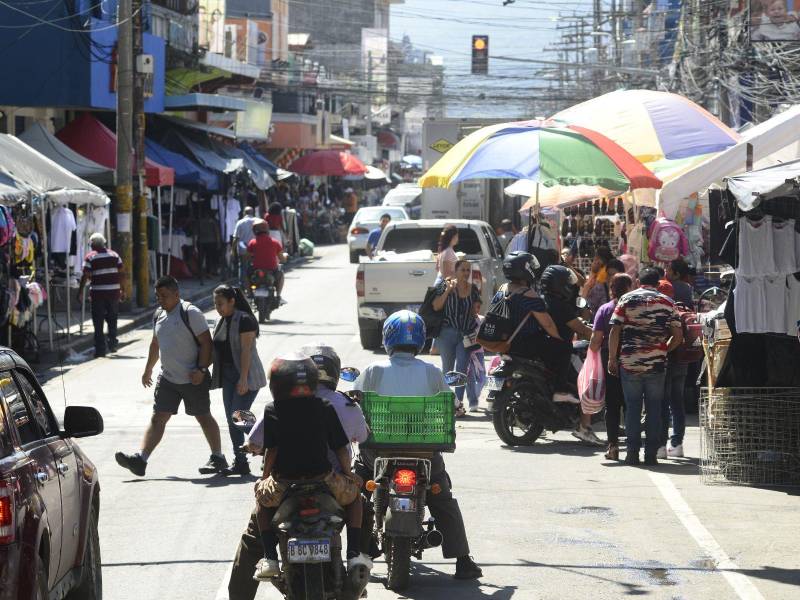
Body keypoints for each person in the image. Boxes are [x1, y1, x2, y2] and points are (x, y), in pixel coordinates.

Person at [352, 310, 483, 580]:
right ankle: (463, 560)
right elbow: (452, 403)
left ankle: (360, 551)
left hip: (378, 452)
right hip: (423, 451)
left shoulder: (373, 370)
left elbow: (354, 401)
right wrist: (458, 407)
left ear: (388, 338)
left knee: (357, 492)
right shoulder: (432, 371)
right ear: (420, 340)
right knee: (442, 497)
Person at [250, 353, 366, 580]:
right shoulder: (324, 406)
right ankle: (353, 555)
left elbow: (271, 450)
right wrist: (350, 475)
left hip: (284, 484)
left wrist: (264, 479)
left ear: (277, 384)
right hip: (323, 480)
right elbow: (341, 448)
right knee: (355, 500)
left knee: (262, 506)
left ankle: (270, 558)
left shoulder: (273, 409)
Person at [115, 276, 228, 477]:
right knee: (158, 418)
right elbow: (155, 344)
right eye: (158, 296)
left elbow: (207, 344)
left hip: (193, 377)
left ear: (177, 294)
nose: (160, 300)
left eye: (165, 296)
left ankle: (218, 456)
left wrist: (201, 370)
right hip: (168, 378)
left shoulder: (190, 313)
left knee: (202, 416)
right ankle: (141, 459)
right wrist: (148, 369)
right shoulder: (158, 314)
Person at [608, 267, 684, 466]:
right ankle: (651, 454)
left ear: (638, 281)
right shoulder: (668, 303)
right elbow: (678, 337)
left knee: (632, 408)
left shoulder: (626, 300)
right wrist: (663, 350)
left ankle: (632, 453)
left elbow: (615, 331)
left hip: (629, 362)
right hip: (656, 364)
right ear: (658, 283)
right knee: (654, 409)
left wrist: (612, 359)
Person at [493, 253, 571, 397]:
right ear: (525, 269)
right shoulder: (528, 294)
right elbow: (547, 324)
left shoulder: (501, 289)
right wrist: (559, 338)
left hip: (504, 343)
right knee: (564, 348)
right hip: (525, 344)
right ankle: (560, 390)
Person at [540, 265, 603, 445]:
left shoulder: (542, 299)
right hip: (559, 349)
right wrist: (599, 336)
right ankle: (584, 427)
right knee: (589, 382)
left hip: (545, 350)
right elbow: (581, 329)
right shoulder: (559, 305)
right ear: (559, 285)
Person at [211, 285, 266, 476]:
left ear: (232, 301)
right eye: (215, 304)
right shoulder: (223, 321)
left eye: (221, 304)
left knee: (238, 417)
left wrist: (243, 379)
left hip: (247, 375)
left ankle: (270, 444)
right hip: (228, 376)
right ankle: (240, 461)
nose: (218, 308)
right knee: (232, 419)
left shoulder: (245, 320)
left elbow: (246, 352)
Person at [589, 273, 633, 460]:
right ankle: (633, 448)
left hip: (610, 359)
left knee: (613, 405)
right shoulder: (635, 308)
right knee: (632, 404)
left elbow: (595, 340)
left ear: (611, 289)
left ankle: (613, 446)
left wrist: (592, 352)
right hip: (633, 357)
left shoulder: (605, 309)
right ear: (630, 288)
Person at [432, 259, 482, 415]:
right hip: (446, 333)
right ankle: (446, 403)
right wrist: (447, 291)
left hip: (465, 334)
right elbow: (436, 306)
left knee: (461, 370)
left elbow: (475, 311)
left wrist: (476, 306)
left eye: (468, 270)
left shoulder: (473, 289)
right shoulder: (446, 285)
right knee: (447, 370)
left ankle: (458, 405)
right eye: (463, 270)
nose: (466, 273)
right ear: (456, 271)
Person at [77, 233, 123, 358]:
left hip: (98, 293)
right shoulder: (114, 255)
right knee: (112, 318)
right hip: (114, 292)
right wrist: (121, 289)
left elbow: (85, 275)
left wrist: (80, 291)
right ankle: (112, 343)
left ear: (92, 244)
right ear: (104, 243)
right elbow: (121, 273)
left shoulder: (90, 257)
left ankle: (100, 350)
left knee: (98, 321)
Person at [247, 219, 287, 300]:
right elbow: (282, 259)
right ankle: (278, 296)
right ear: (267, 229)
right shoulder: (275, 242)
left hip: (256, 271)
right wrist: (285, 257)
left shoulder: (252, 242)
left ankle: (250, 294)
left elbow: (247, 257)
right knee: (281, 274)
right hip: (272, 271)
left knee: (246, 275)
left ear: (254, 230)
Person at [580, 246, 615, 315]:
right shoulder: (608, 267)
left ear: (600, 258)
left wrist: (592, 272)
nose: (594, 260)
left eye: (596, 258)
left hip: (598, 309)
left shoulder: (603, 272)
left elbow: (592, 289)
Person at [192, 210, 221, 284]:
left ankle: (200, 273)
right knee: (209, 258)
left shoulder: (199, 222)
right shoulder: (212, 222)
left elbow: (195, 234)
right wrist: (218, 242)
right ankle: (208, 273)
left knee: (200, 258)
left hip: (201, 242)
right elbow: (217, 232)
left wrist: (194, 244)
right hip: (211, 242)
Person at [233, 207, 256, 286]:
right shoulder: (257, 221)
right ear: (252, 212)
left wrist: (233, 250)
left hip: (243, 249)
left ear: (244, 213)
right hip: (254, 248)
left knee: (243, 267)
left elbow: (236, 238)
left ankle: (242, 285)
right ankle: (254, 282)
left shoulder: (240, 222)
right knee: (255, 266)